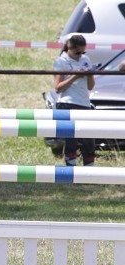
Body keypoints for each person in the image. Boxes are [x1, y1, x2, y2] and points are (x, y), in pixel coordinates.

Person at [52, 33, 96, 166]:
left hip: (84, 103)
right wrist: (74, 77)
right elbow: (58, 88)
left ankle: (89, 169)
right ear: (69, 48)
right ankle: (70, 169)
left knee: (89, 139)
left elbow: (90, 86)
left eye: (83, 52)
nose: (80, 55)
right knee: (71, 140)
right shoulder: (61, 62)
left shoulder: (86, 59)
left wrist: (89, 75)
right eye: (78, 52)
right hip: (67, 103)